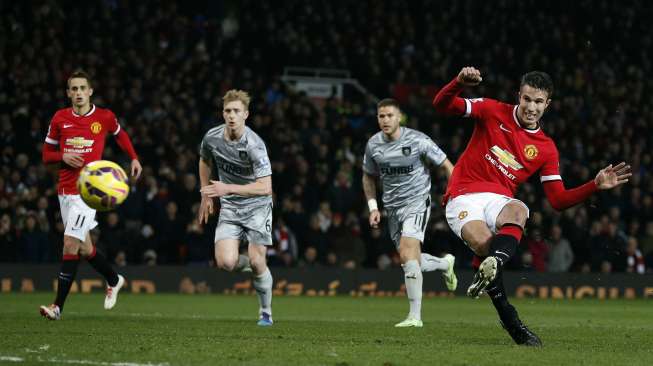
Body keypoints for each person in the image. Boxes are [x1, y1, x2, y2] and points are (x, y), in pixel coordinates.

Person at [432, 66, 631, 345]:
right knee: (483, 243)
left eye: (538, 102)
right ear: (519, 97)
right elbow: (441, 105)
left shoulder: (546, 148)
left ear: (547, 104)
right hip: (462, 195)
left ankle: (492, 264)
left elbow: (558, 201)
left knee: (520, 210)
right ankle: (510, 318)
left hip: (498, 200)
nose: (531, 107)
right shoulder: (491, 110)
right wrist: (458, 83)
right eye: (527, 99)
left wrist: (594, 186)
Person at [40, 70, 142, 320]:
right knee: (85, 248)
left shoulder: (104, 117)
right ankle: (114, 278)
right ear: (68, 93)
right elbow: (46, 156)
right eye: (73, 89)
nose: (78, 93)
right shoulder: (59, 118)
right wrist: (62, 156)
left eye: (82, 88)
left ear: (90, 91)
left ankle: (57, 307)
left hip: (88, 192)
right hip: (64, 189)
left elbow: (120, 135)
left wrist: (134, 158)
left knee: (70, 244)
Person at [362, 98, 458, 328]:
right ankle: (445, 264)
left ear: (399, 117)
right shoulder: (373, 145)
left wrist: (455, 196)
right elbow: (368, 176)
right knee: (409, 260)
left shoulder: (417, 140)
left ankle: (415, 317)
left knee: (407, 250)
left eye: (389, 116)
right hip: (391, 208)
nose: (385, 120)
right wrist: (373, 208)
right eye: (381, 116)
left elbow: (447, 166)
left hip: (417, 202)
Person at [198, 89, 274, 326]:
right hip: (230, 206)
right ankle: (253, 266)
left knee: (257, 260)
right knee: (226, 263)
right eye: (228, 111)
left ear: (246, 114)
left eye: (236, 111)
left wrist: (226, 189)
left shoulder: (255, 145)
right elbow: (204, 160)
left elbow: (265, 187)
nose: (231, 115)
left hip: (258, 206)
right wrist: (205, 194)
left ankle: (266, 312)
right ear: (223, 113)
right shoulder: (212, 137)